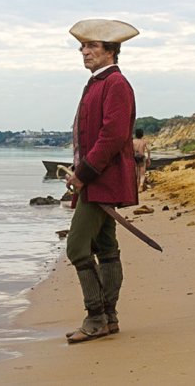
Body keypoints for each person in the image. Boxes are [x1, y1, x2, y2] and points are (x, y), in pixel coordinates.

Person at [63, 18, 139, 344]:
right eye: (83, 46)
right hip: (96, 180)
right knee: (106, 248)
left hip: (101, 181)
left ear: (111, 50)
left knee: (77, 248)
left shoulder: (116, 84)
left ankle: (96, 318)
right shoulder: (96, 83)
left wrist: (82, 175)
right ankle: (108, 318)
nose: (84, 51)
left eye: (92, 45)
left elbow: (112, 136)